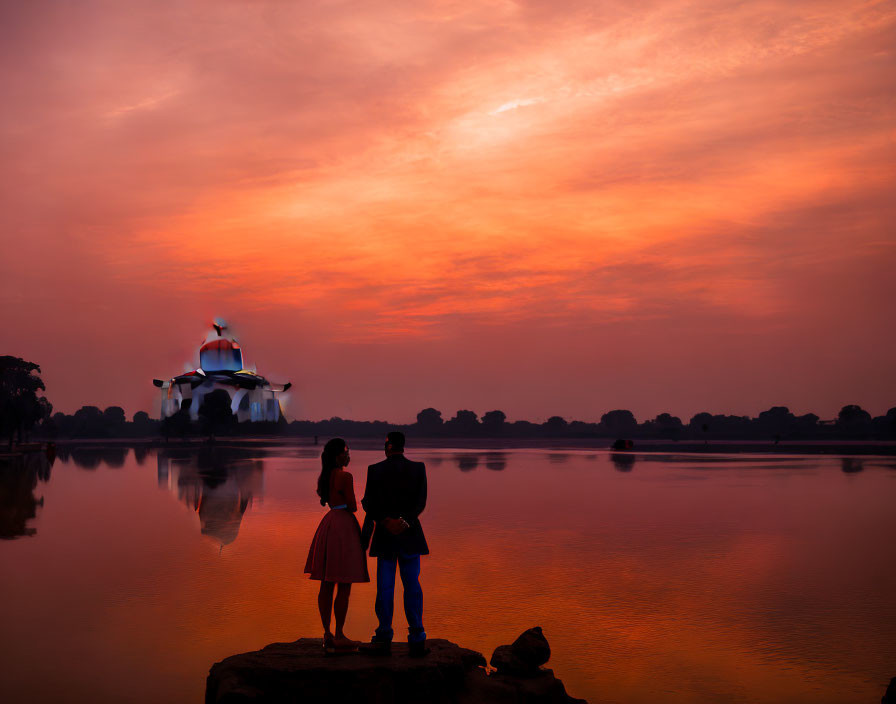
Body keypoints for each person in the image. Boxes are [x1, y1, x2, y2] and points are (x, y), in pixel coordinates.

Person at [359, 431, 429, 657]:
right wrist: (405, 521)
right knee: (413, 587)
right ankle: (417, 637)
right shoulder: (418, 468)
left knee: (385, 588)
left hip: (386, 536)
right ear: (403, 446)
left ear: (387, 446)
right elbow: (420, 502)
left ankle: (383, 636)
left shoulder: (375, 470)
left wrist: (385, 522)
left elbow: (368, 503)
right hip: (410, 535)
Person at [304, 438, 370, 652]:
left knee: (326, 582)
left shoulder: (325, 477)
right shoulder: (345, 476)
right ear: (337, 455)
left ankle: (327, 633)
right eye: (345, 452)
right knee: (343, 583)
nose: (348, 455)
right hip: (343, 526)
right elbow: (352, 506)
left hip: (329, 523)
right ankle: (339, 634)